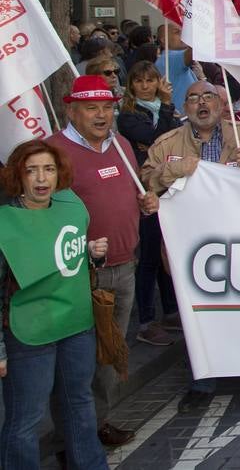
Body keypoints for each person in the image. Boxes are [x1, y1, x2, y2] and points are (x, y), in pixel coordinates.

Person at [45, 75, 157, 448]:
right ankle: (71, 441)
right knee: (76, 364)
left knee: (108, 355)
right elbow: (41, 213)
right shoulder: (53, 153)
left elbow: (133, 192)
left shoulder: (121, 144)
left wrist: (146, 203)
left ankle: (96, 424)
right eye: (91, 108)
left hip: (124, 265)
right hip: (80, 273)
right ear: (72, 110)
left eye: (107, 107)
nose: (101, 115)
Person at [0, 140, 112, 470]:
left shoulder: (69, 206)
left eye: (48, 169)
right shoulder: (7, 223)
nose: (41, 178)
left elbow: (68, 260)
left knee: (79, 404)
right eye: (31, 170)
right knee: (25, 419)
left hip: (76, 326)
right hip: (28, 334)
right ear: (18, 176)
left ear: (58, 173)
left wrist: (93, 255)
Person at [116, 62, 182, 348]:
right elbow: (159, 140)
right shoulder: (129, 115)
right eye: (139, 81)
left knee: (167, 255)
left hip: (170, 190)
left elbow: (176, 142)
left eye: (150, 80)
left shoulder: (164, 111)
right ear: (131, 85)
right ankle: (146, 320)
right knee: (149, 259)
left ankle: (170, 312)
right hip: (147, 190)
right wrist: (167, 109)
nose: (145, 86)